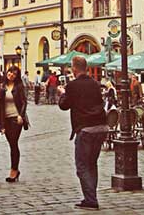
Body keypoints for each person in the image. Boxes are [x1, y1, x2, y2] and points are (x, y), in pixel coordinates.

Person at [58, 55, 107, 211]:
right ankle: (90, 196)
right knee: (92, 163)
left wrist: (62, 93)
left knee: (82, 166)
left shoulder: (72, 85)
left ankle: (91, 200)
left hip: (85, 129)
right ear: (86, 68)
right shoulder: (95, 83)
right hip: (101, 126)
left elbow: (64, 105)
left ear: (74, 68)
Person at [0, 66, 28, 183]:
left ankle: (14, 170)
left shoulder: (19, 87)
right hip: (5, 119)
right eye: (10, 72)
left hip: (16, 118)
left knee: (13, 142)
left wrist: (21, 115)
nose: (11, 75)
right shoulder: (2, 87)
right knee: (11, 143)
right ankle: (15, 170)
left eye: (14, 74)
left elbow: (23, 102)